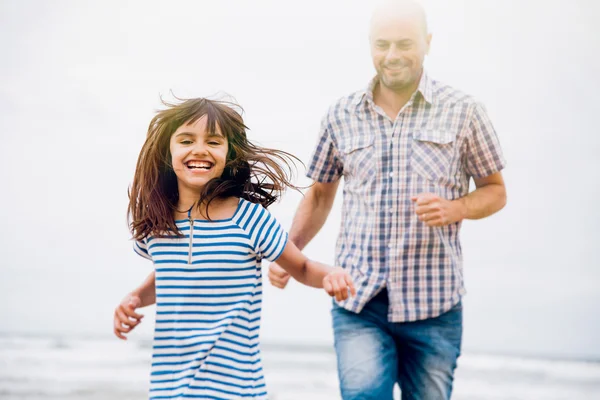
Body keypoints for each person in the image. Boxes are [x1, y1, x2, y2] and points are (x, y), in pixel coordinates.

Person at [268, 1, 507, 399]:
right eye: (382, 44)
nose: (392, 55)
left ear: (427, 43)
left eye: (404, 43)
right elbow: (321, 193)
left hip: (435, 306)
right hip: (358, 301)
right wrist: (291, 253)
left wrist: (456, 207)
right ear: (369, 45)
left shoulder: (465, 112)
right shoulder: (340, 114)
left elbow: (496, 191)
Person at [113, 97, 356, 400]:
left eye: (213, 141)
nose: (199, 149)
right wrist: (135, 297)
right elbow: (171, 277)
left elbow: (302, 267)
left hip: (235, 389)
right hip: (170, 390)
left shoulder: (248, 218)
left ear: (230, 153)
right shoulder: (158, 225)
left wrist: (331, 274)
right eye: (186, 140)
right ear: (168, 152)